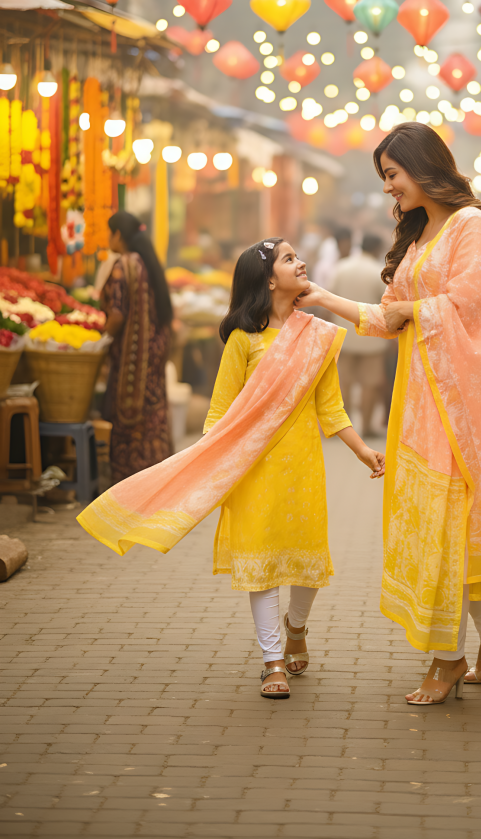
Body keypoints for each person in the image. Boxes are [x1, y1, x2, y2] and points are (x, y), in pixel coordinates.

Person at [297, 123, 481, 706]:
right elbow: (388, 317)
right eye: (384, 177)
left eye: (392, 174)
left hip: (458, 408)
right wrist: (322, 299)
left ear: (423, 166)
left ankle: (446, 658)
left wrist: (412, 310)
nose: (388, 187)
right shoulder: (418, 234)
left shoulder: (468, 225)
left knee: (443, 529)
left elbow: (476, 307)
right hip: (418, 404)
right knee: (442, 528)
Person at [78, 238, 384, 701]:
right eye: (289, 259)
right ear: (268, 280)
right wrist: (208, 469)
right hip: (252, 469)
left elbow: (331, 407)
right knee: (261, 565)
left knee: (307, 565)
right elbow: (220, 413)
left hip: (303, 468)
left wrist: (362, 450)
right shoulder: (244, 340)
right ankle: (272, 659)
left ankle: (296, 628)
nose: (300, 262)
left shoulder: (318, 336)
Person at [102, 211, 174, 485]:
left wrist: (101, 339)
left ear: (118, 234)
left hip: (133, 359)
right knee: (152, 413)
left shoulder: (123, 265)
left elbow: (117, 313)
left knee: (128, 418)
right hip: (154, 353)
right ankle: (155, 477)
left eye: (109, 233)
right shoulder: (148, 262)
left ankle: (129, 482)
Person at [330, 233, 387, 437]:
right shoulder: (378, 272)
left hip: (344, 336)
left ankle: (344, 427)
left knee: (343, 382)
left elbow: (330, 296)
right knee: (369, 383)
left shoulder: (341, 267)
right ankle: (367, 427)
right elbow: (387, 303)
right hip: (372, 337)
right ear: (376, 249)